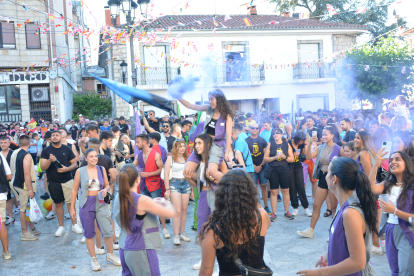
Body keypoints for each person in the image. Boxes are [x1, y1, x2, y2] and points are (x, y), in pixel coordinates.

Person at [297, 157, 377, 276]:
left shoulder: (350, 213)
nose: (325, 176)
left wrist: (319, 272)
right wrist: (326, 257)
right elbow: (340, 240)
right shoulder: (343, 204)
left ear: (334, 179)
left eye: (328, 172)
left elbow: (358, 263)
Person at [199, 170, 271, 276]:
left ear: (221, 195)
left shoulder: (212, 232)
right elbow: (266, 222)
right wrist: (245, 193)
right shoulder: (262, 217)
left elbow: (206, 272)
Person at [113, 164, 175, 276]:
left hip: (124, 247)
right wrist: (164, 202)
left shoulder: (119, 196)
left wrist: (151, 202)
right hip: (140, 249)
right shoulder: (142, 200)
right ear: (138, 179)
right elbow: (171, 213)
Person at [71, 148, 121, 271]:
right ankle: (94, 259)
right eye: (91, 156)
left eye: (95, 156)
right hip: (86, 203)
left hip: (100, 201)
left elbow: (107, 184)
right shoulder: (80, 171)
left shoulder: (101, 169)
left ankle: (110, 254)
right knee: (89, 233)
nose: (94, 158)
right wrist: (72, 208)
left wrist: (105, 189)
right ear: (86, 158)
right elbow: (74, 190)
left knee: (108, 230)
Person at [369, 150, 414, 276]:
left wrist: (394, 211)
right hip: (390, 230)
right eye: (390, 160)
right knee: (395, 271)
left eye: (397, 159)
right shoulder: (387, 184)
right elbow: (370, 187)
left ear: (407, 163)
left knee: (407, 272)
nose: (393, 162)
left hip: (408, 231)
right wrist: (375, 165)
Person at [177, 89, 233, 184]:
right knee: (187, 171)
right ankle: (205, 184)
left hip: (217, 146)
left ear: (219, 99)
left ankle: (231, 183)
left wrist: (227, 152)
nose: (210, 102)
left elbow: (228, 136)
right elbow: (191, 106)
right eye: (209, 99)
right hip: (203, 143)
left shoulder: (227, 115)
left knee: (212, 172)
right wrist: (177, 96)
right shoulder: (209, 109)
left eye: (212, 99)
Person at [297, 126, 344, 238]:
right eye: (322, 135)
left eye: (326, 134)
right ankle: (310, 230)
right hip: (323, 178)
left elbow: (344, 164)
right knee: (316, 205)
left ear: (332, 135)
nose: (323, 137)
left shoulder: (339, 149)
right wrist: (310, 144)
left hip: (333, 179)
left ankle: (333, 233)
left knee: (333, 207)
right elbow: (308, 156)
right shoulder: (320, 147)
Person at [40, 131, 82, 236]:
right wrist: (50, 160)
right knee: (58, 204)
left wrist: (67, 169)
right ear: (50, 138)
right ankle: (61, 227)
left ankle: (74, 225)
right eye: (53, 135)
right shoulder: (46, 150)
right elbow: (42, 167)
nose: (54, 137)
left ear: (61, 137)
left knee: (70, 204)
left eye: (57, 135)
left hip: (67, 180)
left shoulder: (66, 148)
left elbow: (75, 164)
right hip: (53, 181)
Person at [132, 134, 167, 238]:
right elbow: (132, 165)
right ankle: (146, 229)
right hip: (143, 185)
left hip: (154, 185)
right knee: (143, 208)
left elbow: (161, 169)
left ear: (144, 142)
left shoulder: (156, 154)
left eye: (137, 142)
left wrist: (148, 174)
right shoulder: (139, 155)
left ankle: (164, 229)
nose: (136, 144)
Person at [10, 135, 40, 241]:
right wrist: (30, 190)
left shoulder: (14, 152)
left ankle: (31, 228)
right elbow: (27, 174)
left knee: (28, 207)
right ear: (29, 143)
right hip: (23, 185)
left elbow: (11, 168)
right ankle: (24, 233)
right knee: (23, 209)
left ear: (19, 143)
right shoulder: (27, 155)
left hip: (15, 183)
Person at [263, 128, 295, 221]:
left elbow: (292, 159)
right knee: (274, 192)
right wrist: (274, 157)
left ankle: (286, 212)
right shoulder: (270, 144)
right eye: (274, 133)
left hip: (284, 170)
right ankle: (274, 213)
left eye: (277, 133)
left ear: (281, 135)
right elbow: (265, 158)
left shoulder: (286, 144)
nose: (275, 134)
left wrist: (284, 157)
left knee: (285, 191)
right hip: (273, 170)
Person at [163, 140, 191, 245]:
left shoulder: (187, 158)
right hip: (174, 184)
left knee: (184, 210)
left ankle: (182, 233)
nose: (182, 148)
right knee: (177, 211)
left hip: (186, 184)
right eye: (180, 146)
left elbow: (190, 174)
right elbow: (166, 174)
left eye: (184, 146)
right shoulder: (170, 158)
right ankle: (176, 235)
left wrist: (192, 189)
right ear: (176, 147)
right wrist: (167, 190)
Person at [246, 123, 271, 214]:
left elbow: (265, 155)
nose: (255, 129)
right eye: (253, 128)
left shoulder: (262, 140)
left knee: (264, 186)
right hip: (251, 167)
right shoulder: (246, 141)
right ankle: (255, 207)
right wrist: (253, 166)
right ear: (249, 129)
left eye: (257, 128)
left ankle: (266, 207)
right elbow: (246, 155)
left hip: (262, 167)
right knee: (253, 188)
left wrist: (260, 166)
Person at [288, 131, 312, 217]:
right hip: (289, 166)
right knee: (292, 187)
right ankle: (295, 207)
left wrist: (305, 144)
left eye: (302, 141)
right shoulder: (289, 143)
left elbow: (305, 154)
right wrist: (293, 155)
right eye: (300, 141)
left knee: (301, 186)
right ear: (296, 139)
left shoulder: (302, 144)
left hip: (298, 165)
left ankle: (306, 208)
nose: (301, 142)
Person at [0, 146, 12, 259]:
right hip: (0, 194)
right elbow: (9, 176)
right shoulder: (1, 156)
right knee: (1, 223)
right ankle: (6, 251)